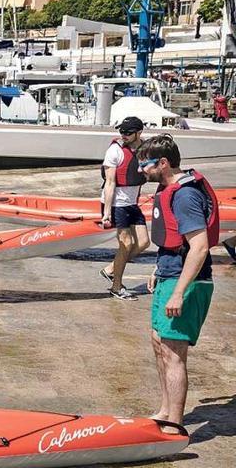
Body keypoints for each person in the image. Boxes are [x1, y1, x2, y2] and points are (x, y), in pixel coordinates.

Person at [137, 133, 219, 433]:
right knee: (159, 342)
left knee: (173, 352)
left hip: (187, 281)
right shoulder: (167, 187)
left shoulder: (185, 196)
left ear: (163, 163)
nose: (141, 170)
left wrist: (179, 292)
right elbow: (172, 242)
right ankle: (165, 410)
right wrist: (159, 271)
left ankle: (175, 424)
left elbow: (199, 247)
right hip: (168, 273)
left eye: (145, 165)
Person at [99, 116, 151, 300]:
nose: (124, 135)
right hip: (116, 203)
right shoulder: (115, 151)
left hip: (131, 203)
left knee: (144, 242)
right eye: (121, 131)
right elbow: (110, 182)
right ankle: (117, 286)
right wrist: (106, 214)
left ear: (139, 133)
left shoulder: (145, 148)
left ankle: (112, 268)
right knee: (126, 244)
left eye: (128, 133)